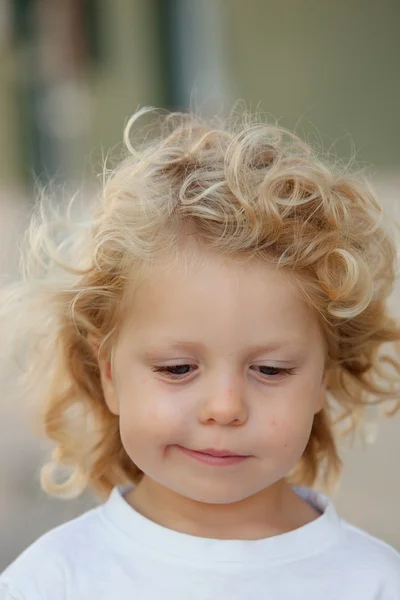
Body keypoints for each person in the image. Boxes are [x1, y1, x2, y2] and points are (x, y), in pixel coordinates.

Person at [0, 106, 399, 600]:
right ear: (109, 374)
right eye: (178, 369)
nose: (225, 407)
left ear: (322, 378)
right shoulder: (50, 582)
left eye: (270, 370)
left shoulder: (376, 582)